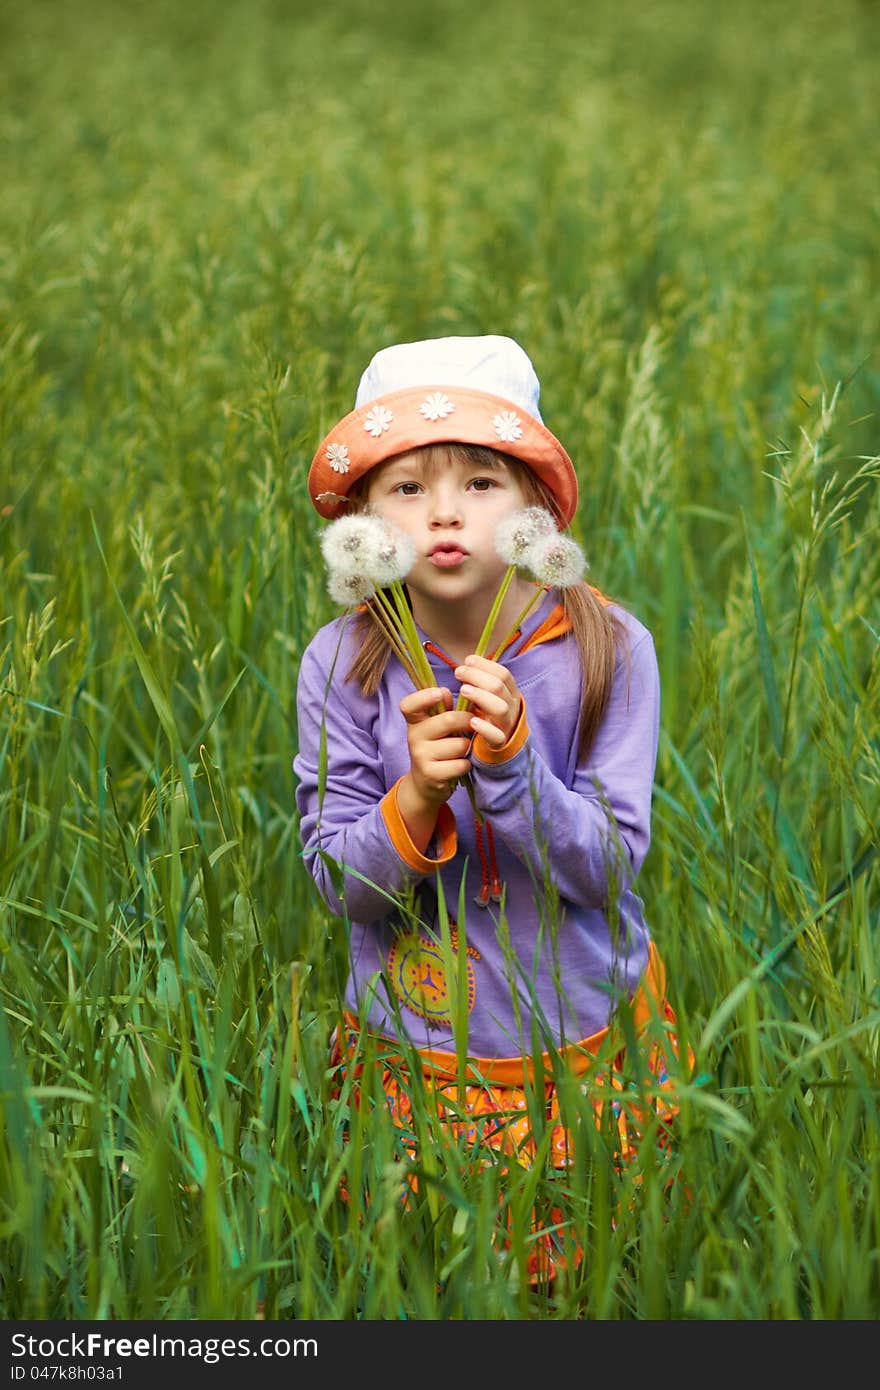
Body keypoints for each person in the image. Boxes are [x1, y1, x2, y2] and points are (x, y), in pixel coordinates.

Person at [294, 335, 687, 1279]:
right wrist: (419, 794)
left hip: (578, 1028)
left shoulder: (609, 649)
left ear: (535, 510)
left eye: (479, 483)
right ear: (364, 520)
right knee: (428, 1274)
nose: (443, 513)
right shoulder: (342, 663)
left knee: (597, 1270)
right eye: (407, 487)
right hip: (417, 1042)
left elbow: (608, 867)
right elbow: (338, 885)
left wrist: (510, 770)